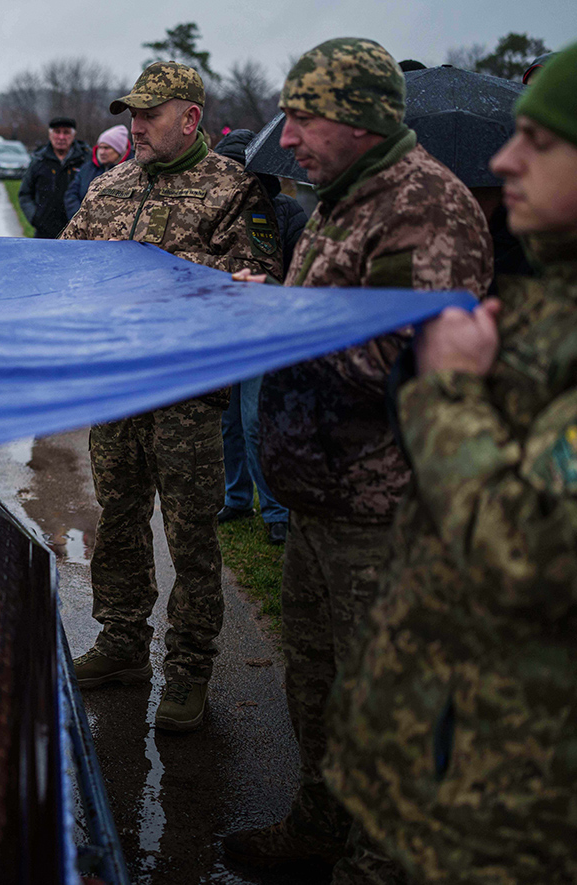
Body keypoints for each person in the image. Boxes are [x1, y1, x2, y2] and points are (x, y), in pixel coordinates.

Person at [223, 38, 492, 876]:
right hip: (321, 498)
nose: (288, 136)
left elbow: (397, 359)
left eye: (303, 117)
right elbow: (330, 314)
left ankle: (380, 861)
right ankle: (321, 822)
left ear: (363, 121)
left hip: (388, 513)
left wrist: (272, 323)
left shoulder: (424, 209)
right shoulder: (340, 199)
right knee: (313, 676)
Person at [325, 41, 577, 885]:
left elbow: (525, 553)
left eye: (539, 143)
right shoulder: (548, 301)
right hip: (476, 761)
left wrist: (451, 391)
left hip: (526, 814)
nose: (505, 160)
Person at [63, 62, 283, 733]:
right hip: (118, 385)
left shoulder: (233, 187)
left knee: (192, 535)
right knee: (120, 522)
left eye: (149, 113)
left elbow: (259, 279)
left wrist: (165, 278)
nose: (136, 124)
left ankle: (188, 667)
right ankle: (123, 641)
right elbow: (69, 261)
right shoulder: (110, 185)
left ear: (190, 117)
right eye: (132, 112)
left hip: (187, 394)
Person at [211, 128, 307, 545]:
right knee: (228, 422)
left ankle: (276, 510)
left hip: (266, 333)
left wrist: (269, 290)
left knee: (256, 422)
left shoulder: (286, 211)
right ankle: (237, 496)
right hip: (224, 332)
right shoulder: (215, 209)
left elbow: (302, 276)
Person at [20, 116, 89, 238]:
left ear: (73, 135)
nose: (61, 137)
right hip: (44, 233)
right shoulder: (38, 160)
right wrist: (35, 218)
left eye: (66, 133)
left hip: (77, 233)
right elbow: (25, 194)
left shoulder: (85, 160)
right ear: (50, 134)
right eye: (57, 132)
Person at [64, 125, 130, 220]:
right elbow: (71, 194)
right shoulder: (87, 169)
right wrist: (81, 218)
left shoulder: (131, 171)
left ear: (119, 150)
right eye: (100, 147)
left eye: (107, 148)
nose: (102, 152)